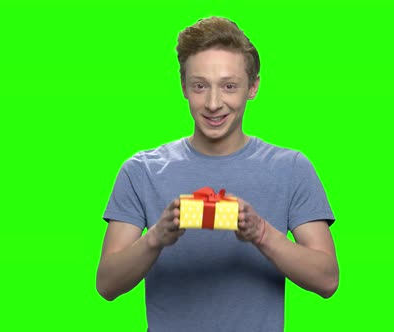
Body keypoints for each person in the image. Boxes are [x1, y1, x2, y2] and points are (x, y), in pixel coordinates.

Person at [97, 17, 339, 332]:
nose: (213, 103)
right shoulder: (141, 170)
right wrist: (156, 237)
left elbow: (327, 280)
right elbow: (107, 285)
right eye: (200, 86)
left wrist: (261, 233)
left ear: (252, 87)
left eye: (229, 86)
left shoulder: (291, 167)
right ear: (184, 86)